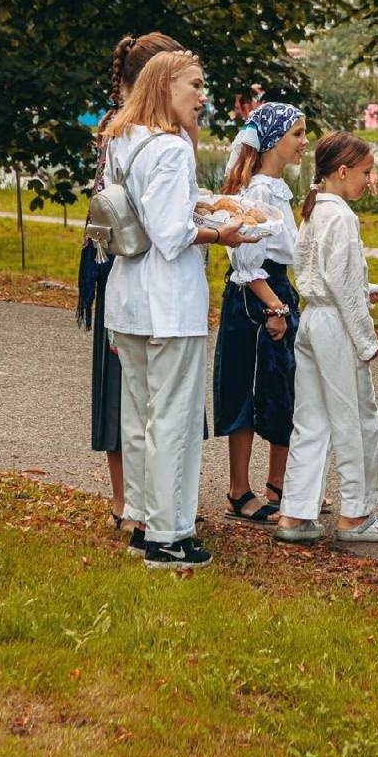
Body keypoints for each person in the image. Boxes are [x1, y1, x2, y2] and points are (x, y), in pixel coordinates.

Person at [101, 48, 256, 569]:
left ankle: (146, 521)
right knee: (175, 418)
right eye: (194, 84)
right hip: (168, 302)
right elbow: (170, 235)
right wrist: (222, 233)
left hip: (129, 298)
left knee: (141, 415)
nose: (202, 94)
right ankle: (170, 535)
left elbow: (149, 210)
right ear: (165, 86)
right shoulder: (170, 148)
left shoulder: (125, 139)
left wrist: (202, 202)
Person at [78, 33, 184, 537]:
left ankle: (140, 506)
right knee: (148, 404)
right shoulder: (154, 139)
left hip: (121, 266)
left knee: (139, 400)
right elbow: (167, 226)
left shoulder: (121, 130)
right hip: (137, 269)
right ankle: (142, 509)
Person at [275, 132, 378, 544]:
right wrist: (367, 340)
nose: (369, 179)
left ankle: (294, 512)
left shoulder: (313, 212)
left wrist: (363, 291)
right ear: (342, 171)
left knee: (310, 420)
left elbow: (322, 275)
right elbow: (341, 284)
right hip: (335, 326)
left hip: (312, 319)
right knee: (357, 420)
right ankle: (355, 513)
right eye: (365, 172)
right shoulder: (341, 216)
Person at [212, 101, 308, 524]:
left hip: (278, 290)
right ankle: (238, 490)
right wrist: (274, 306)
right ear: (273, 141)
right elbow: (245, 260)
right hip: (257, 297)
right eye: (297, 134)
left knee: (282, 389)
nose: (305, 143)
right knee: (248, 391)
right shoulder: (257, 192)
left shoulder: (276, 187)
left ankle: (278, 485)